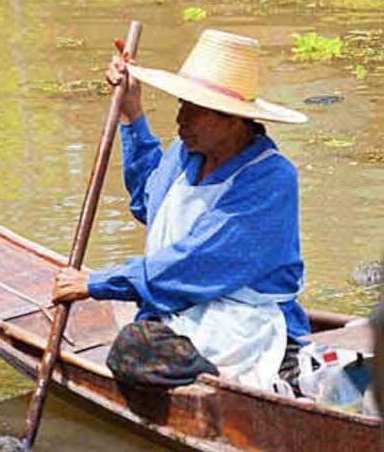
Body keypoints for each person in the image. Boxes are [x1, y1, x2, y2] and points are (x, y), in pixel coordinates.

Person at [52, 29, 310, 392]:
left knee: (133, 349)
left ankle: (236, 387)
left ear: (234, 119)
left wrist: (97, 284)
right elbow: (148, 202)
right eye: (181, 106)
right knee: (139, 344)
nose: (181, 120)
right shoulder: (186, 151)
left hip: (245, 324)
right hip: (183, 313)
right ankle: (205, 379)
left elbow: (196, 262)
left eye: (196, 110)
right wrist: (131, 112)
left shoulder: (270, 178)